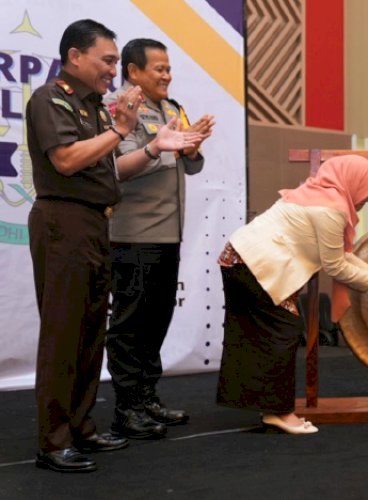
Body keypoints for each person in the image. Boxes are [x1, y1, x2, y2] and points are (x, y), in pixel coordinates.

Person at [26, 19, 201, 473]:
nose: (112, 69)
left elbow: (109, 171)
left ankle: (82, 427)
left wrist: (151, 142)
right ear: (74, 57)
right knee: (64, 337)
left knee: (90, 335)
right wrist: (123, 130)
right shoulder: (51, 99)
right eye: (106, 60)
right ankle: (54, 440)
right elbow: (65, 161)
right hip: (63, 222)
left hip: (96, 224)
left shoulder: (97, 110)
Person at [216, 155, 368, 434]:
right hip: (250, 266)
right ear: (353, 183)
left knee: (260, 334)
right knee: (284, 331)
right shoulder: (331, 210)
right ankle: (279, 412)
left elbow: (342, 254)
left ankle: (268, 406)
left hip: (240, 259)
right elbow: (335, 265)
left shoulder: (318, 195)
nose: (367, 200)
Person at [103, 38, 214, 439]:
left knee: (157, 319)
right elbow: (118, 168)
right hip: (133, 233)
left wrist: (191, 148)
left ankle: (147, 397)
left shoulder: (172, 108)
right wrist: (158, 147)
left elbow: (192, 166)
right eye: (159, 69)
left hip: (169, 234)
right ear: (133, 72)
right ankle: (126, 407)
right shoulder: (120, 108)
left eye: (169, 68)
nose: (167, 75)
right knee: (130, 323)